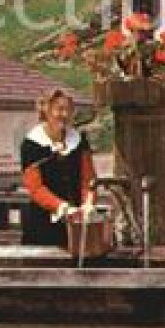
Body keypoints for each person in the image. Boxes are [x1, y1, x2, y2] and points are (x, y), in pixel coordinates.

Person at [19, 88, 96, 247]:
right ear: (45, 110)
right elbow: (35, 188)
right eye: (59, 109)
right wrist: (61, 207)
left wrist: (88, 203)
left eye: (68, 109)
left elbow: (88, 179)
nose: (65, 114)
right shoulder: (31, 145)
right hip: (42, 223)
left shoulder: (79, 141)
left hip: (76, 223)